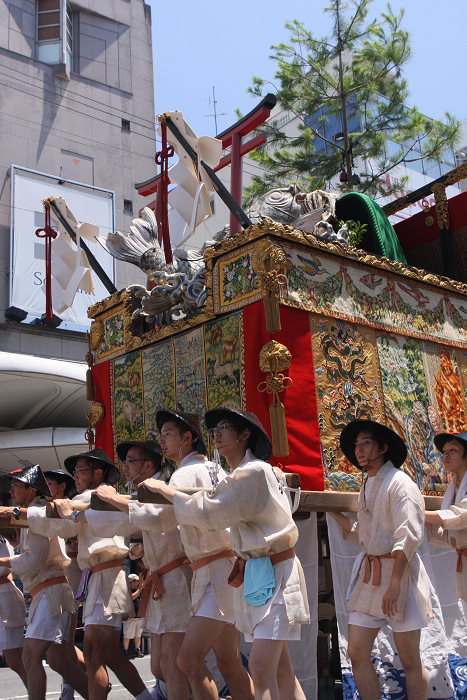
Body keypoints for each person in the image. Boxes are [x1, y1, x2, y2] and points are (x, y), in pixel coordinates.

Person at [139, 407, 309, 700]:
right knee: (278, 669)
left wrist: (164, 491)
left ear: (245, 434)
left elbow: (213, 513)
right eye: (214, 428)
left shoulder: (253, 472)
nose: (216, 433)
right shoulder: (237, 475)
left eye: (225, 427)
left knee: (259, 667)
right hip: (258, 573)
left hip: (273, 571)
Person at [27, 449, 154, 700]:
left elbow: (62, 523)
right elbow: (64, 526)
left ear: (98, 473)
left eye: (80, 470)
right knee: (108, 654)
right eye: (74, 472)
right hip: (101, 577)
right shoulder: (95, 498)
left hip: (107, 577)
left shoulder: (98, 497)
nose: (75, 476)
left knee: (95, 651)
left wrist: (30, 512)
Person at [328, 420, 432, 700]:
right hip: (371, 573)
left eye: (365, 443)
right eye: (356, 445)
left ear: (383, 448)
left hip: (399, 574)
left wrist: (396, 583)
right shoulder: (367, 486)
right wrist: (329, 508)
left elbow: (408, 536)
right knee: (357, 651)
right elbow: (363, 535)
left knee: (409, 659)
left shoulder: (400, 483)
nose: (359, 449)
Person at [89, 440, 192, 700]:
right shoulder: (141, 494)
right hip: (160, 582)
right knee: (158, 665)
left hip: (178, 579)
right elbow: (136, 523)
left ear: (148, 464)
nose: (125, 467)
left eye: (130, 461)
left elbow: (155, 519)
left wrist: (112, 499)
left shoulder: (165, 487)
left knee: (172, 665)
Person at [0, 465, 88, 700]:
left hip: (51, 593)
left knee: (30, 657)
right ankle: (96, 695)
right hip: (48, 593)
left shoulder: (38, 514)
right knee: (60, 661)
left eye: (16, 485)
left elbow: (34, 559)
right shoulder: (33, 513)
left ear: (30, 490)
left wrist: (4, 561)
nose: (11, 490)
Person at [44, 470, 85, 700]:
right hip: (51, 579)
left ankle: (70, 690)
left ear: (61, 486)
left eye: (49, 483)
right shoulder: (46, 507)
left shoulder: (69, 506)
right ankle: (79, 682)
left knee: (65, 642)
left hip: (70, 573)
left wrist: (73, 541)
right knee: (61, 644)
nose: (46, 487)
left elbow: (79, 539)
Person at [425, 431, 467, 616]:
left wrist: (419, 511)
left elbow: (459, 517)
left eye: (453, 450)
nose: (446, 455)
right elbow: (448, 536)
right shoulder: (456, 486)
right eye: (444, 451)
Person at [123, 574, 144, 658]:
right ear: (132, 582)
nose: (139, 582)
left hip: (138, 616)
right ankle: (126, 651)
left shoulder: (137, 590)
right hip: (129, 617)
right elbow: (131, 598)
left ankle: (137, 649)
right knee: (128, 635)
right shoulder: (126, 590)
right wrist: (140, 589)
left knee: (138, 635)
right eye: (137, 581)